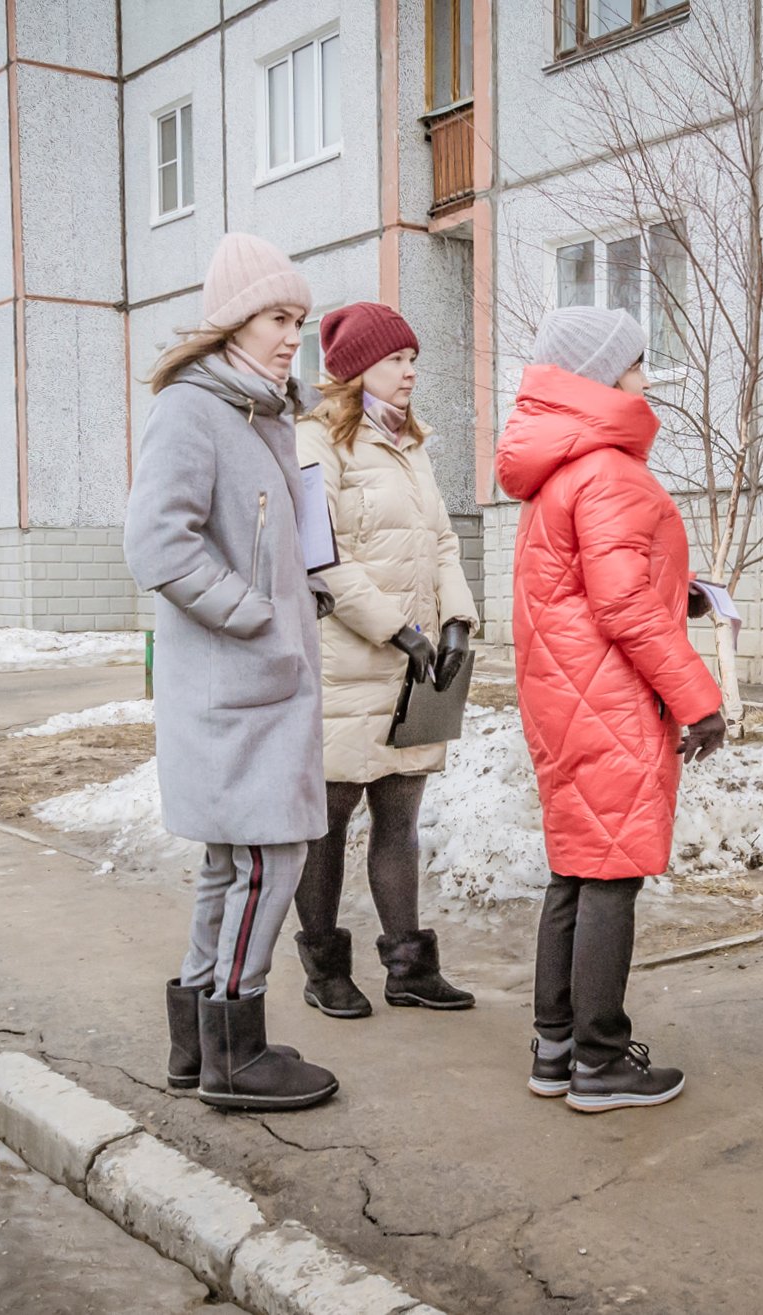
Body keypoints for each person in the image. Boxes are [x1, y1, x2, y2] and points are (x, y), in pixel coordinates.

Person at [124, 232, 339, 1111]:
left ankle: (195, 1045)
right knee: (267, 861)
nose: (294, 335)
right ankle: (235, 1046)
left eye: (299, 319)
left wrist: (300, 591)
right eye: (278, 317)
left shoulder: (260, 412)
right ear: (232, 322)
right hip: (233, 684)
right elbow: (156, 545)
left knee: (232, 863)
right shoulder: (194, 408)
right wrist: (255, 614)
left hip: (256, 680)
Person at [495, 305, 727, 1114]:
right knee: (612, 875)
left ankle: (556, 1049)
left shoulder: (564, 468)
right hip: (611, 697)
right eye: (633, 364)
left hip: (568, 692)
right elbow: (624, 607)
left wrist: (682, 593)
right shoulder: (608, 471)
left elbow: (593, 585)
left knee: (575, 869)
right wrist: (698, 697)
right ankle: (599, 1061)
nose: (646, 377)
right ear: (599, 377)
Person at [290, 302, 480, 1017]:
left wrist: (456, 619)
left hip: (415, 667)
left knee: (400, 817)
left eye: (412, 359)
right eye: (398, 359)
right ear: (359, 367)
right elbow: (321, 559)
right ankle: (324, 968)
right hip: (347, 665)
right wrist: (397, 628)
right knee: (329, 820)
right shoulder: (315, 441)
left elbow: (440, 543)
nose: (411, 371)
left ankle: (408, 966)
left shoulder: (411, 444)